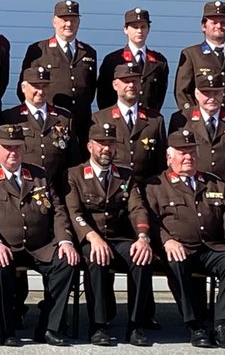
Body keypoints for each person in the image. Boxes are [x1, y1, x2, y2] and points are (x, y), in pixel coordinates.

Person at [135, 129, 225, 349]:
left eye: (192, 152)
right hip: (178, 247)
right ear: (169, 157)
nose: (188, 157)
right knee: (176, 263)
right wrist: (167, 241)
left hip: (210, 247)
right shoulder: (154, 186)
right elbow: (151, 220)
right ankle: (196, 324)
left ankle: (222, 324)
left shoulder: (214, 183)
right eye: (182, 152)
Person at [0, 124, 79, 347]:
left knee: (66, 262)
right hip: (5, 247)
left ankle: (49, 327)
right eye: (8, 148)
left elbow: (58, 211)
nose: (13, 153)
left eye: (18, 148)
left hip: (39, 246)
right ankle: (6, 329)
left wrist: (65, 241)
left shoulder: (38, 175)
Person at [64, 122, 154, 347]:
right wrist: (92, 236)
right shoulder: (74, 175)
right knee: (96, 257)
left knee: (140, 258)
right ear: (90, 146)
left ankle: (136, 325)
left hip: (118, 237)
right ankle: (98, 325)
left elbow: (137, 208)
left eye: (111, 144)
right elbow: (74, 212)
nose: (107, 149)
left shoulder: (125, 175)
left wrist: (143, 237)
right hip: (90, 239)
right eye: (101, 144)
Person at [19, 0, 98, 138]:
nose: (68, 24)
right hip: (52, 124)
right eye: (64, 19)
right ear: (54, 22)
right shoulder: (39, 51)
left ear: (78, 22)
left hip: (81, 124)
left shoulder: (89, 52)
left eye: (73, 19)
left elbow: (91, 89)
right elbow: (24, 90)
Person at [0, 66, 80, 188]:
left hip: (57, 186)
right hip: (24, 187)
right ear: (23, 88)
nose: (41, 91)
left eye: (44, 86)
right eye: (36, 86)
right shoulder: (11, 117)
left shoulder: (64, 117)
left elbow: (73, 159)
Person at [173, 0, 225, 112]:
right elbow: (182, 93)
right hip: (202, 124)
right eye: (214, 22)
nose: (219, 26)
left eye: (223, 22)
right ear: (203, 26)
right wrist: (194, 119)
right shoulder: (191, 54)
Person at [167, 73, 225, 181]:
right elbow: (171, 158)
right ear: (196, 94)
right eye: (206, 93)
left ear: (223, 94)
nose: (212, 98)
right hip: (194, 188)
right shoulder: (181, 119)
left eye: (216, 93)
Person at [90, 61, 166, 179]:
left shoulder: (155, 120)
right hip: (114, 186)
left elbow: (161, 164)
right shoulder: (99, 118)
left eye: (134, 81)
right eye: (126, 81)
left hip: (146, 187)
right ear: (115, 85)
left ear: (140, 85)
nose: (131, 85)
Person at [96, 7, 169, 112]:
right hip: (119, 121)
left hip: (148, 122)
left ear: (148, 29)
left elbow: (159, 96)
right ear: (125, 29)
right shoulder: (113, 60)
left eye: (143, 27)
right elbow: (103, 95)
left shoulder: (159, 62)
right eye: (135, 27)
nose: (139, 31)